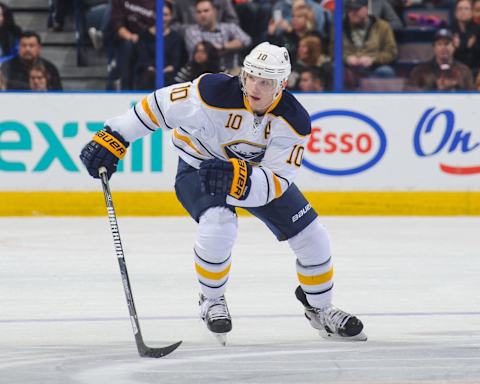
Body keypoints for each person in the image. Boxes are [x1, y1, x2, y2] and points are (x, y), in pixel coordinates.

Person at [79, 42, 367, 344]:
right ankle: (211, 300)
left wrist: (240, 180)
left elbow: (277, 180)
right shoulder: (211, 92)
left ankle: (320, 309)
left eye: (266, 81)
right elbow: (159, 106)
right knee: (219, 223)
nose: (254, 86)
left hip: (255, 176)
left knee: (314, 236)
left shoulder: (294, 120)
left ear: (282, 84)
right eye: (251, 76)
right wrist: (115, 135)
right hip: (198, 168)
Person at [343, 0, 397, 89]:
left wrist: (373, 59)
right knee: (335, 70)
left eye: (356, 9)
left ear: (366, 9)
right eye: (349, 10)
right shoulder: (340, 26)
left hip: (374, 67)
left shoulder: (383, 26)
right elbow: (332, 49)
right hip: (348, 67)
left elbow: (391, 52)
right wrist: (346, 58)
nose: (352, 13)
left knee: (385, 71)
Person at [184, 0, 251, 72]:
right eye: (199, 12)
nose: (202, 14)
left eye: (206, 11)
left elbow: (246, 40)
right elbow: (205, 49)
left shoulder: (229, 27)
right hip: (201, 71)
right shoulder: (191, 31)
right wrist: (229, 45)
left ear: (215, 11)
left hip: (229, 69)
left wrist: (224, 46)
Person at [407, 28, 475, 91]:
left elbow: (472, 96)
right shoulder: (420, 71)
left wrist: (454, 87)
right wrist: (435, 87)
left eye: (446, 44)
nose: (443, 48)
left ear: (453, 47)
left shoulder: (464, 70)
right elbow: (408, 93)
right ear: (434, 48)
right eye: (439, 44)